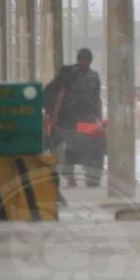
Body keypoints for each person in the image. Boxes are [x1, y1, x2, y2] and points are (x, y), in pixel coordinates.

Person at [44, 49, 105, 188]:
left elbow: (97, 98)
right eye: (82, 60)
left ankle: (91, 177)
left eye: (87, 61)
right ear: (78, 60)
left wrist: (99, 119)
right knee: (72, 147)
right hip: (70, 118)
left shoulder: (94, 76)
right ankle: (71, 178)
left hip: (88, 119)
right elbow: (61, 94)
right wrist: (55, 116)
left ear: (90, 61)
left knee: (92, 147)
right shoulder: (70, 74)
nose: (85, 63)